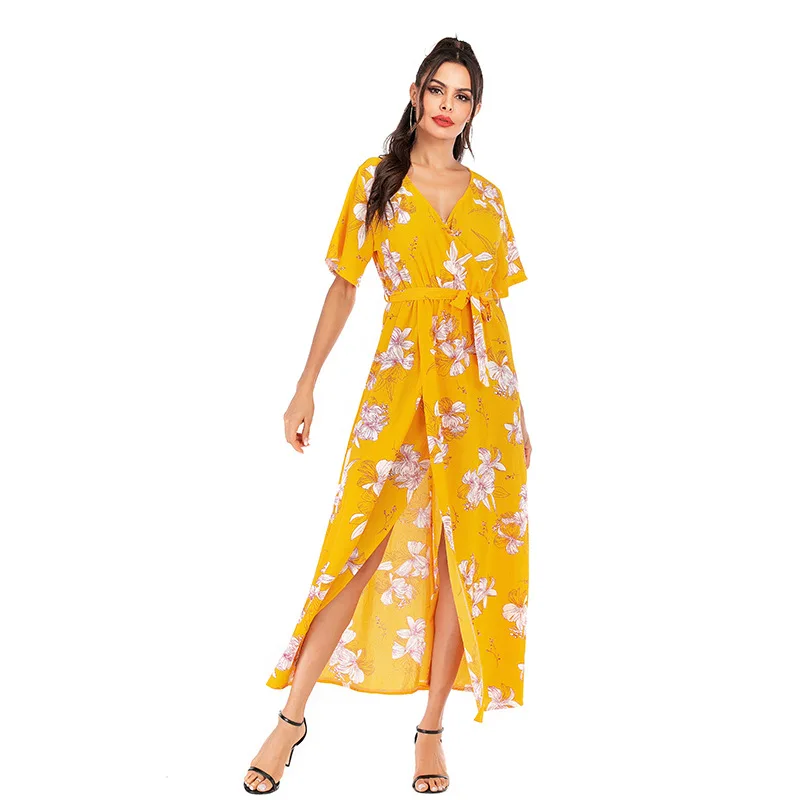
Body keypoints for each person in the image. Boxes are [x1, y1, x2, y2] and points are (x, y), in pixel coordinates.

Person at [244, 36, 531, 795]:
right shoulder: (377, 180)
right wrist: (306, 385)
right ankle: (290, 718)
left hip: (482, 402)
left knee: (462, 557)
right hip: (401, 384)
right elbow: (344, 286)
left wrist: (520, 420)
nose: (447, 106)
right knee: (358, 543)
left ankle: (431, 730)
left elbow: (495, 316)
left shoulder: (489, 198)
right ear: (415, 93)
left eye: (462, 96)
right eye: (438, 89)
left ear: (475, 108)